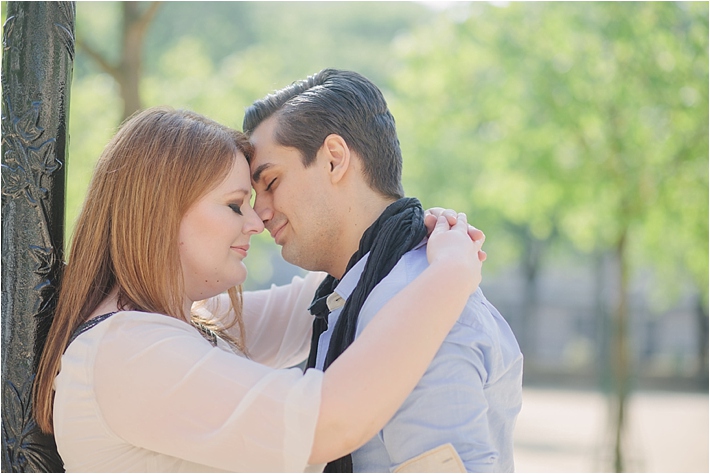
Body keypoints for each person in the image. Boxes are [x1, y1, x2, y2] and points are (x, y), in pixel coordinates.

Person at [32, 106, 486, 473]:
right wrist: (450, 274)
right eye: (235, 205)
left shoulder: (181, 322)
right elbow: (329, 422)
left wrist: (402, 227)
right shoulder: (129, 351)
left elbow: (339, 275)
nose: (257, 222)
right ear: (160, 212)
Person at [243, 69, 524, 473]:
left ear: (334, 159)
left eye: (270, 182)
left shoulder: (422, 304)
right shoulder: (355, 293)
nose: (260, 212)